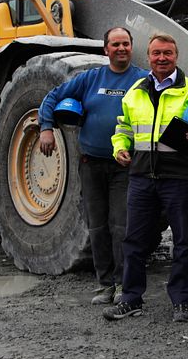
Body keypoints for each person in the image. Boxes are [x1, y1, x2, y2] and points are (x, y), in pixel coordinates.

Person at [103, 33, 188, 323]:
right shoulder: (135, 92)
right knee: (133, 241)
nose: (161, 58)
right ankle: (131, 300)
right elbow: (124, 130)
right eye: (156, 53)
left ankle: (181, 302)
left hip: (179, 178)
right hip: (142, 177)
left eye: (167, 53)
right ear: (149, 56)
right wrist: (119, 148)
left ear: (176, 56)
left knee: (182, 241)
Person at [38, 26, 147, 305]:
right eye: (115, 44)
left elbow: (171, 85)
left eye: (125, 44)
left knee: (122, 226)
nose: (121, 48)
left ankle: (124, 284)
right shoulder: (90, 78)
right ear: (105, 50)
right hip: (91, 164)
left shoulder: (142, 79)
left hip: (125, 165)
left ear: (131, 47)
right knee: (97, 227)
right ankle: (105, 285)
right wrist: (46, 128)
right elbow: (52, 97)